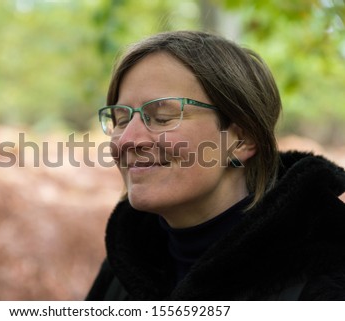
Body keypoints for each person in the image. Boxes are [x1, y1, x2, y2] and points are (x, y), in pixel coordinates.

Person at [86, 30, 345, 300]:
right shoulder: (127, 264)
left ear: (242, 139)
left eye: (162, 117)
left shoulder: (329, 271)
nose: (128, 140)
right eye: (121, 119)